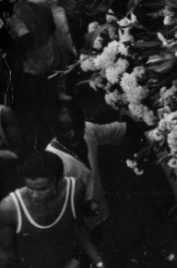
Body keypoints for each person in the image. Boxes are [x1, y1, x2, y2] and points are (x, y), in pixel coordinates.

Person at [0, 151, 105, 268]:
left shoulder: (75, 189)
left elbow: (77, 226)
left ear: (58, 181)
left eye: (42, 189)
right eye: (30, 188)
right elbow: (5, 256)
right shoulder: (9, 207)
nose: (35, 195)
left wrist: (98, 261)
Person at [46, 98, 127, 231]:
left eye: (78, 126)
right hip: (81, 229)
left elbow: (119, 130)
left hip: (105, 214)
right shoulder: (51, 163)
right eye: (65, 130)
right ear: (54, 131)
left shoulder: (88, 131)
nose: (74, 134)